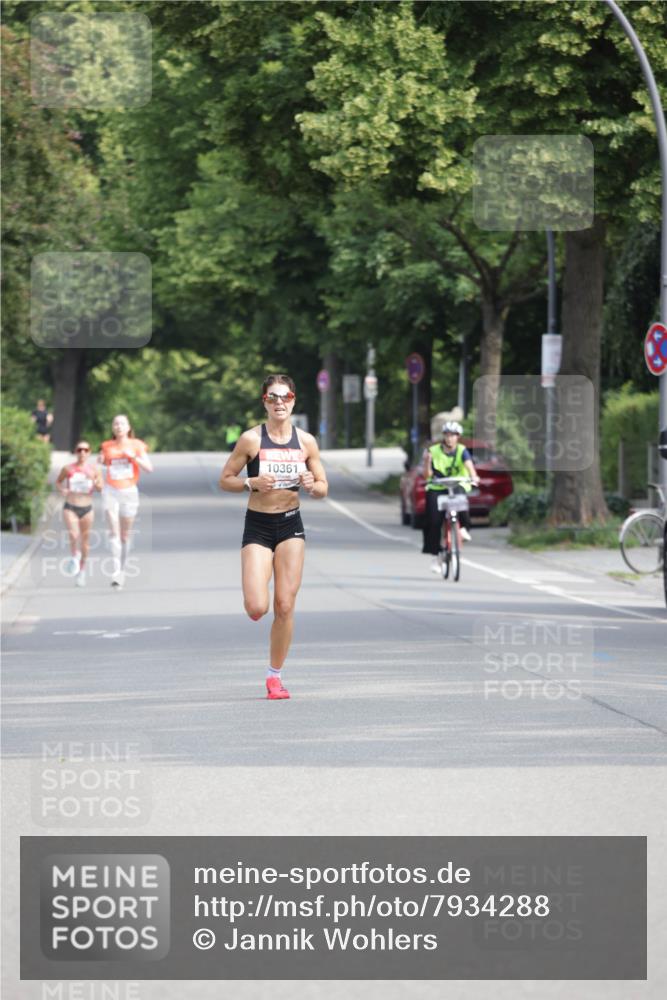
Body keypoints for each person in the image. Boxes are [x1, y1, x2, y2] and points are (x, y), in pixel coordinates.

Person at [219, 374, 328, 700]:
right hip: (258, 526)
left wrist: (311, 485)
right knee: (257, 607)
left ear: (294, 400)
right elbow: (225, 479)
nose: (280, 402)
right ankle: (258, 614)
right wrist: (251, 484)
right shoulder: (251, 440)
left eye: (286, 396)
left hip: (291, 524)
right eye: (273, 397)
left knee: (284, 605)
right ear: (264, 402)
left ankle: (274, 676)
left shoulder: (306, 441)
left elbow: (323, 488)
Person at [98, 414, 153, 589]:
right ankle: (116, 572)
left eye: (122, 423)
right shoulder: (106, 446)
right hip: (110, 491)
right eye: (116, 423)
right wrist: (98, 467)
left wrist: (133, 457)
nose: (119, 426)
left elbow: (149, 468)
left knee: (124, 535)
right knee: (113, 531)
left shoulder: (137, 445)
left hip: (129, 491)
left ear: (128, 427)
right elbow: (100, 467)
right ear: (113, 427)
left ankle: (122, 568)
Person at [422, 420, 479, 573]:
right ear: (443, 436)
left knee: (461, 501)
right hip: (438, 486)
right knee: (434, 521)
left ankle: (463, 528)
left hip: (456, 484)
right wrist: (427, 463)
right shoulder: (433, 451)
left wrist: (474, 477)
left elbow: (469, 466)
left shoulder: (462, 450)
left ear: (458, 437)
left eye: (453, 435)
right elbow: (426, 475)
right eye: (447, 435)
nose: (449, 438)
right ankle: (436, 555)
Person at [55, 441, 103, 587]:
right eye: (79, 449)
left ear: (89, 453)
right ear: (75, 452)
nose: (82, 452)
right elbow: (58, 482)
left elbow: (101, 487)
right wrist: (61, 490)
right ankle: (75, 556)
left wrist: (96, 484)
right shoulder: (68, 468)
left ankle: (81, 571)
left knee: (85, 542)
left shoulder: (94, 469)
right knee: (74, 534)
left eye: (85, 450)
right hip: (70, 506)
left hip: (87, 508)